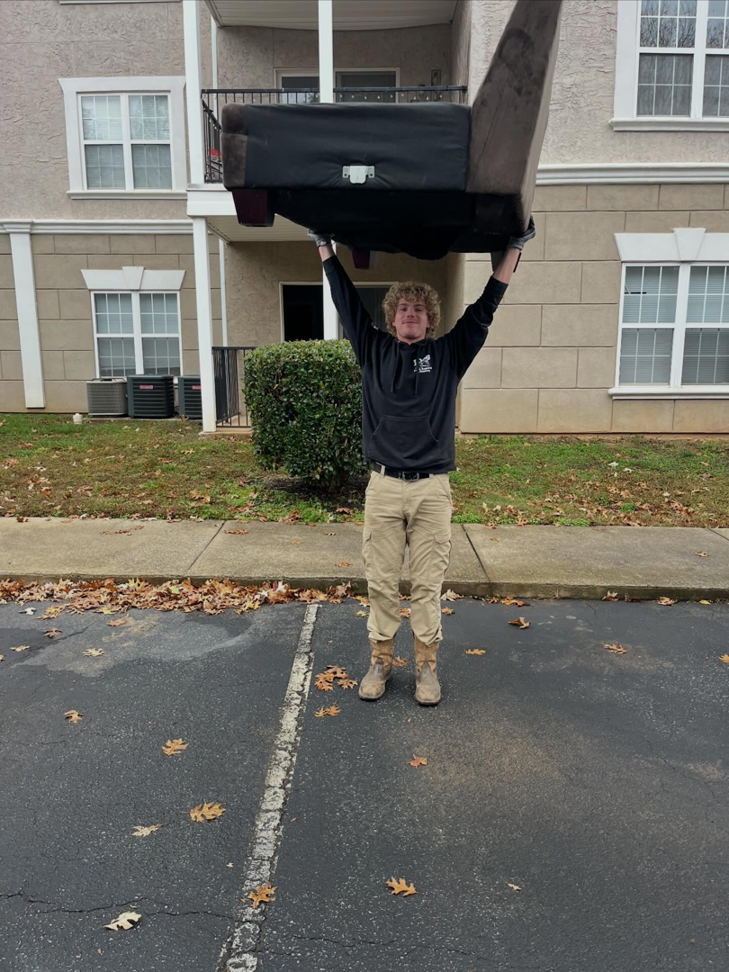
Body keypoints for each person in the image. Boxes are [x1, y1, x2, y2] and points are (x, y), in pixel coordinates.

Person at [309, 221, 536, 705]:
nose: (410, 314)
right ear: (392, 318)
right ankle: (380, 660)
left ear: (430, 319)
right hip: (385, 487)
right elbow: (345, 299)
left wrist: (512, 248)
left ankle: (427, 668)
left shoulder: (448, 353)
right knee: (382, 581)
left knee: (428, 586)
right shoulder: (373, 349)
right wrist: (323, 245)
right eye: (403, 308)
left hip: (432, 489)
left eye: (419, 309)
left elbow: (485, 308)